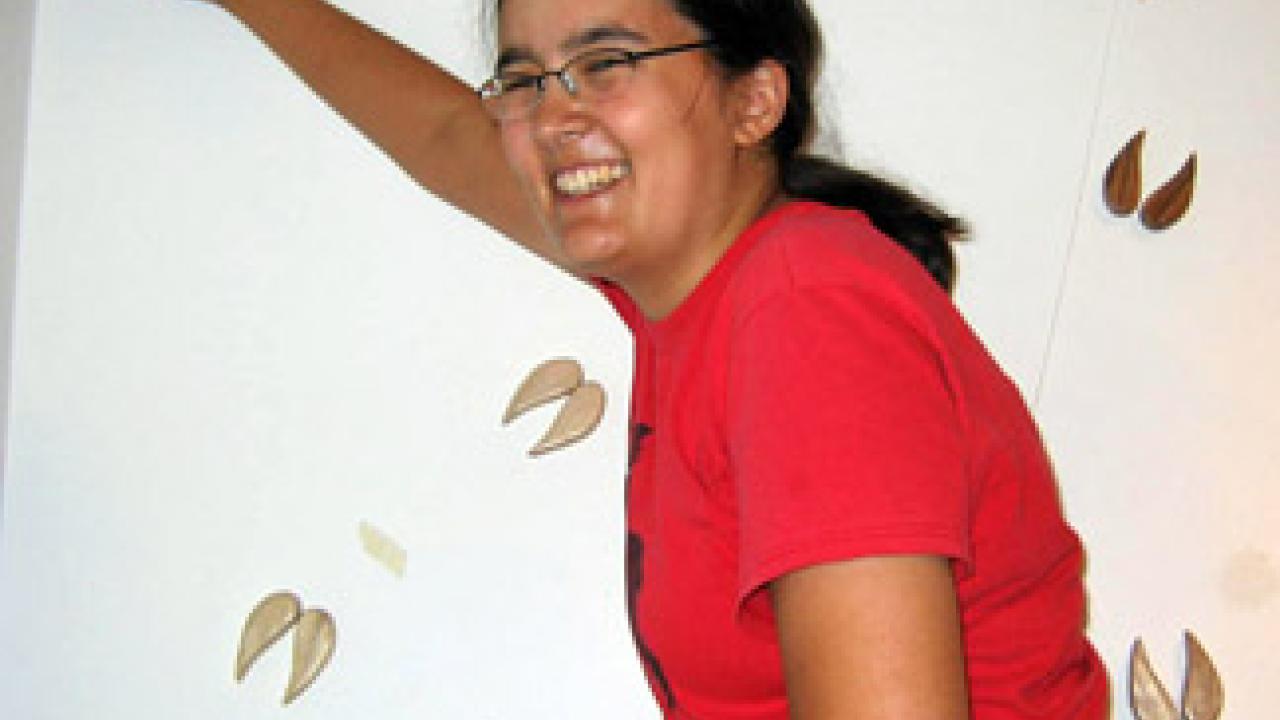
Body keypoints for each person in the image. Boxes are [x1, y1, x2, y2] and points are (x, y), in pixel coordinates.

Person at [198, 0, 1110, 717]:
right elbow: (448, 138)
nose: (554, 117)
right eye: (524, 79)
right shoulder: (707, 299)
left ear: (754, 101)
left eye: (606, 64)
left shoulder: (804, 307)